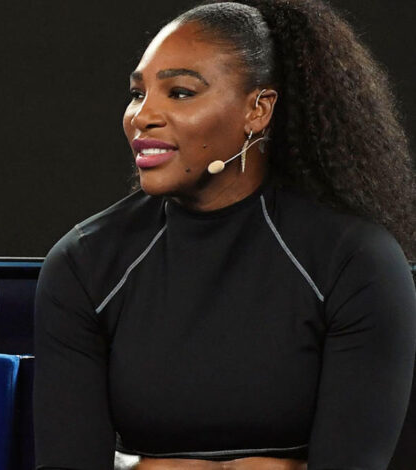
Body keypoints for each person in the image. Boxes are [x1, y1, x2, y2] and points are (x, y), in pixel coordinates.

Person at [34, 1, 416, 469]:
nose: (142, 115)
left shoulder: (355, 260)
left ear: (258, 109)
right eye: (138, 94)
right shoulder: (84, 264)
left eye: (179, 93)